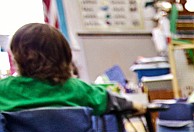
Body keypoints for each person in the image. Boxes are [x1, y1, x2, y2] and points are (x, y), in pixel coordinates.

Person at [0, 23, 144, 115]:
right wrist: (136, 105)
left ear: (17, 57)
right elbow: (109, 101)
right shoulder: (76, 88)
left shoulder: (4, 90)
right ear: (64, 55)